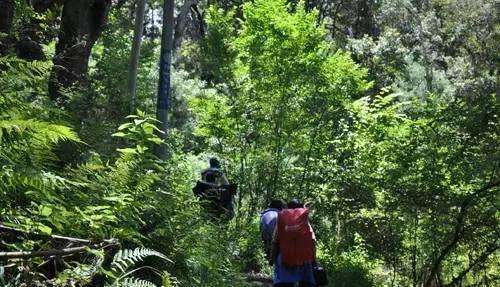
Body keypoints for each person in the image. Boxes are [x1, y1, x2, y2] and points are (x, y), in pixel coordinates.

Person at [272, 199, 316, 287]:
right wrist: (314, 259)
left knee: (283, 281)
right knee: (306, 281)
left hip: (285, 255)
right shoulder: (305, 221)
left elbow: (275, 240)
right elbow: (313, 240)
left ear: (287, 208)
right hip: (303, 257)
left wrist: (272, 257)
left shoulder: (281, 218)